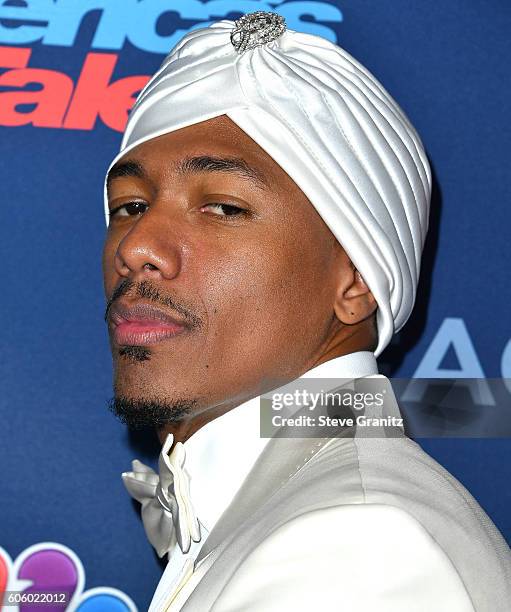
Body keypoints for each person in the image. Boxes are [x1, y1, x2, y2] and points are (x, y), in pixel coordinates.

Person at [102, 11, 511, 611]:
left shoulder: (359, 547)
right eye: (130, 205)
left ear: (355, 281)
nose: (136, 247)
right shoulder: (301, 513)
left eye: (221, 208)